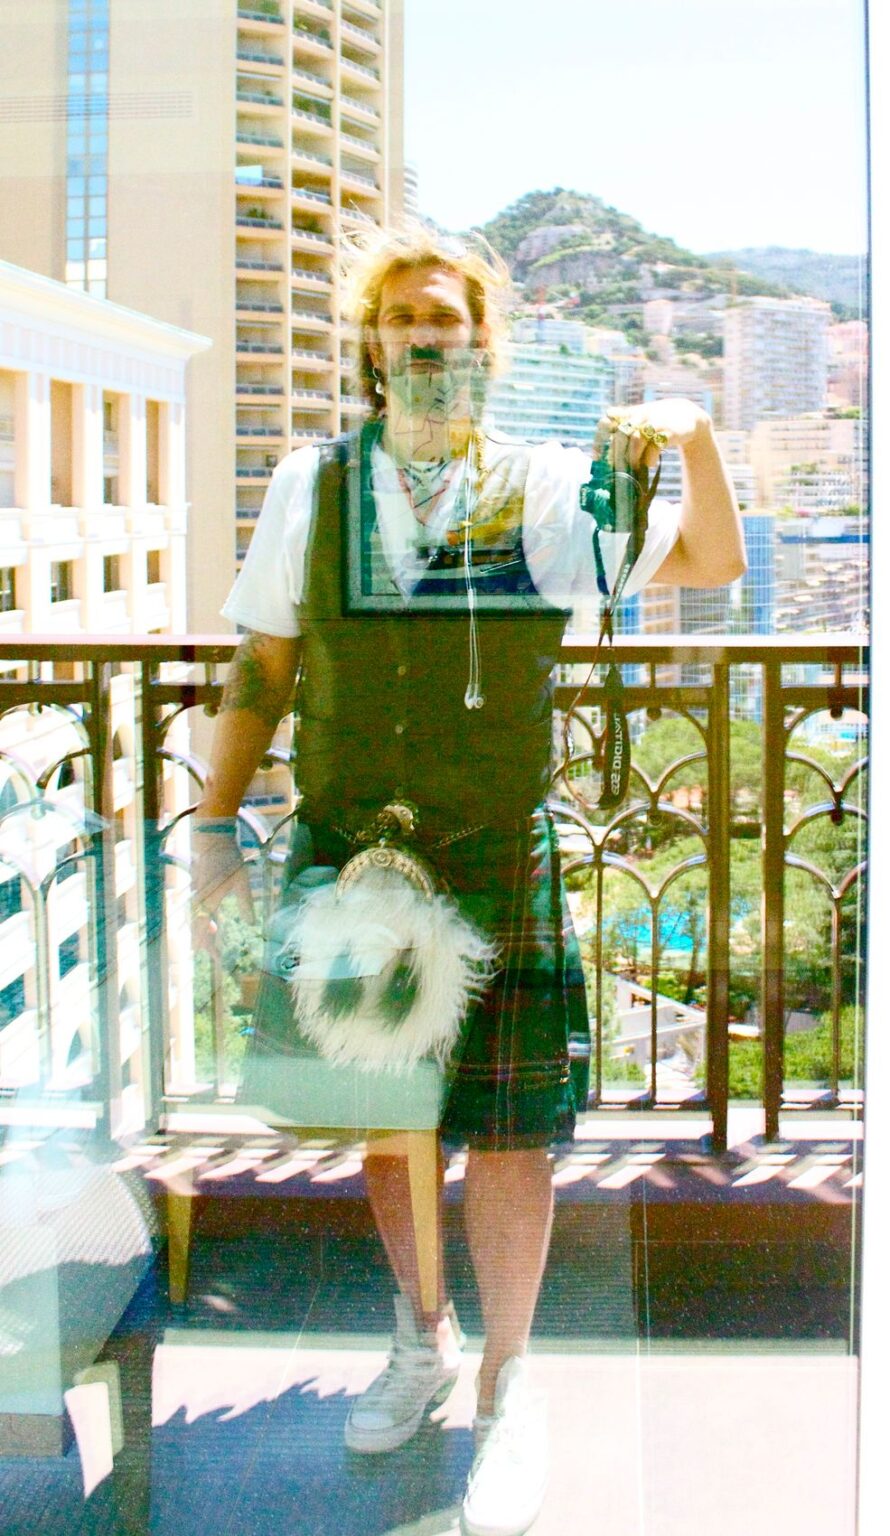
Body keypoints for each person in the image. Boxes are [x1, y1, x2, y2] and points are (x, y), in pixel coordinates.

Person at [192, 225, 745, 1536]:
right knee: (386, 1122)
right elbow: (265, 666)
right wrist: (212, 827)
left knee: (506, 1135)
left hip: (496, 839)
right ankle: (422, 1336)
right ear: (373, 346)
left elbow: (709, 564)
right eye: (401, 320)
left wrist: (694, 437)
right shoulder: (311, 484)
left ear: (482, 343)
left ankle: (506, 1383)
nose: (424, 336)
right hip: (348, 844)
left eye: (446, 318)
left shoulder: (548, 487)